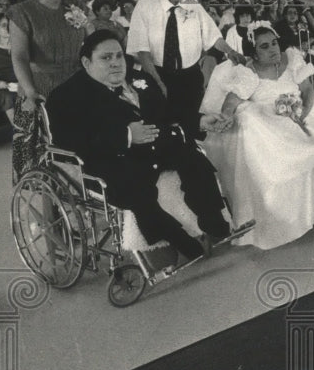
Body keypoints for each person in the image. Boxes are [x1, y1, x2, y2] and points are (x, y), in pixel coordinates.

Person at [46, 30, 233, 261]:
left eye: (118, 56)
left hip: (155, 148)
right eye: (106, 58)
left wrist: (200, 120)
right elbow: (69, 141)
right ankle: (177, 240)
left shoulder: (138, 80)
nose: (115, 63)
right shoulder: (65, 97)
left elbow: (167, 113)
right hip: (112, 158)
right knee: (135, 188)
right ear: (86, 62)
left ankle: (213, 223)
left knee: (193, 158)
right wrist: (125, 135)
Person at [200, 24, 314, 250]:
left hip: (303, 113)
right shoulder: (248, 72)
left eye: (274, 42)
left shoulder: (291, 58)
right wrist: (226, 117)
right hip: (270, 123)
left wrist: (302, 114)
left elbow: (308, 91)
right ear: (253, 53)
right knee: (283, 161)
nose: (273, 49)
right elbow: (231, 102)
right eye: (264, 46)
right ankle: (288, 216)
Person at [126, 0, 244, 139]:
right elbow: (142, 52)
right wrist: (158, 83)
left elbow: (212, 35)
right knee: (162, 126)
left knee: (192, 127)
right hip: (156, 73)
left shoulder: (192, 3)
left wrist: (230, 51)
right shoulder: (145, 5)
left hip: (189, 77)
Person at [6, 0, 87, 178]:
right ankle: (47, 209)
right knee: (43, 159)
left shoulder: (76, 9)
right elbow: (19, 56)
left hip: (75, 86)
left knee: (77, 152)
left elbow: (91, 45)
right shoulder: (22, 12)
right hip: (39, 87)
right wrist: (30, 90)